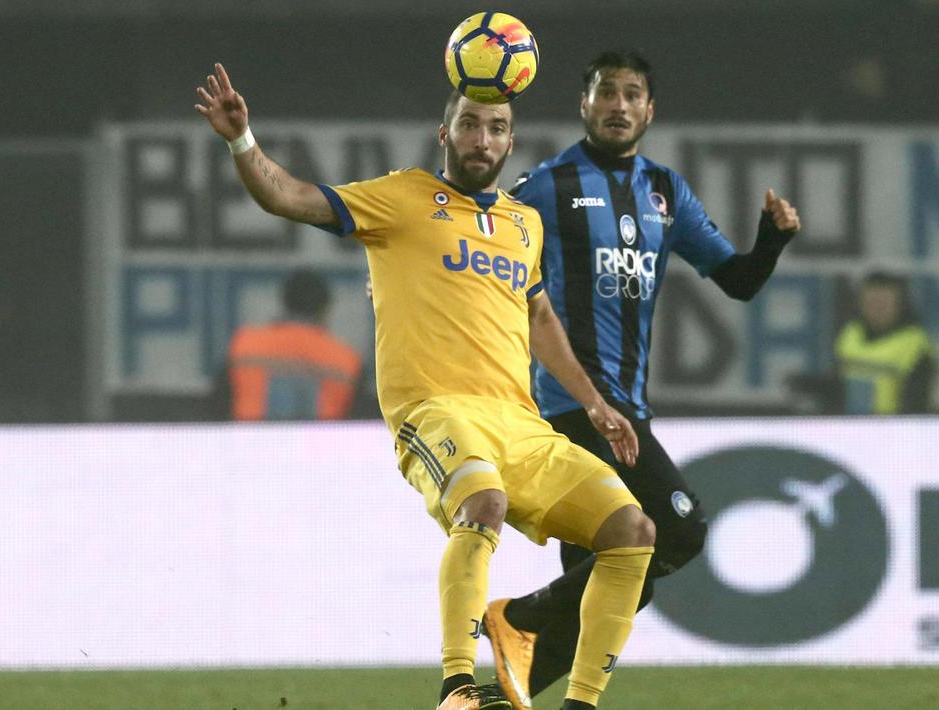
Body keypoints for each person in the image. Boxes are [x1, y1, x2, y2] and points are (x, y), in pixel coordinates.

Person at [195, 63, 655, 710]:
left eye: (496, 128)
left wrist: (594, 404)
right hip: (437, 412)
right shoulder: (401, 198)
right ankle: (458, 688)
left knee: (632, 530)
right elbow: (287, 197)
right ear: (445, 133)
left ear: (508, 143)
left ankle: (579, 703)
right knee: (483, 505)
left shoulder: (526, 225)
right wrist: (242, 142)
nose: (482, 139)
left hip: (521, 425)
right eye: (470, 124)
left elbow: (540, 318)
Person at [481, 51, 800, 709]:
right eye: (606, 93)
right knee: (678, 531)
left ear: (649, 111)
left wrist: (770, 242)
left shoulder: (665, 192)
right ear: (584, 103)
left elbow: (736, 282)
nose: (618, 106)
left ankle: (481, 702)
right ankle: (521, 614)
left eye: (632, 95)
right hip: (570, 406)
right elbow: (479, 242)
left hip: (628, 408)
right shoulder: (548, 185)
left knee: (618, 581)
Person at [212, 268, 363, 421]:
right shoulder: (346, 360)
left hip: (249, 442)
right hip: (321, 444)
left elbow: (218, 408)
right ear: (324, 309)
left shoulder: (245, 345)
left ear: (284, 302)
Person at [789, 271, 936, 415]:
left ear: (899, 304)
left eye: (884, 303)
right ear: (861, 302)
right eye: (871, 302)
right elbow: (839, 383)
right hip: (849, 424)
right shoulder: (851, 334)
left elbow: (918, 401)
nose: (877, 309)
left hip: (892, 428)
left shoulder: (914, 344)